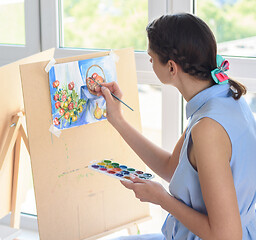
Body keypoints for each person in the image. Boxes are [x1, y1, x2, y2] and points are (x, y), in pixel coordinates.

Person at [95, 13, 256, 239]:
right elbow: (172, 167)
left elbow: (227, 236)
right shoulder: (226, 97)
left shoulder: (208, 128)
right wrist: (118, 120)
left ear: (171, 68)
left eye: (151, 58)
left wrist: (162, 199)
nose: (149, 62)